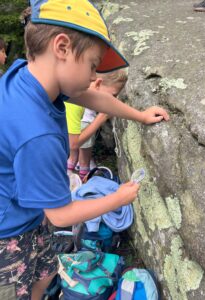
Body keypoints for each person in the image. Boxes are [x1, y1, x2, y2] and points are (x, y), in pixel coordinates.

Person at [0, 0, 169, 299]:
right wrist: (118, 198)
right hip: (8, 237)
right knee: (17, 291)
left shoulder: (28, 75)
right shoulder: (38, 134)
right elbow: (62, 216)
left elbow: (91, 98)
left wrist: (140, 115)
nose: (94, 77)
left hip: (24, 211)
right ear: (62, 47)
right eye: (92, 65)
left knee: (46, 272)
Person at [66, 69, 127, 180]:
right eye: (113, 95)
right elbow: (73, 144)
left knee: (73, 155)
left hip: (73, 128)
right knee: (85, 157)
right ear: (98, 83)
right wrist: (101, 117)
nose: (113, 99)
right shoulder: (75, 103)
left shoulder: (76, 89)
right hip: (85, 124)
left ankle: (69, 173)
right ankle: (83, 180)